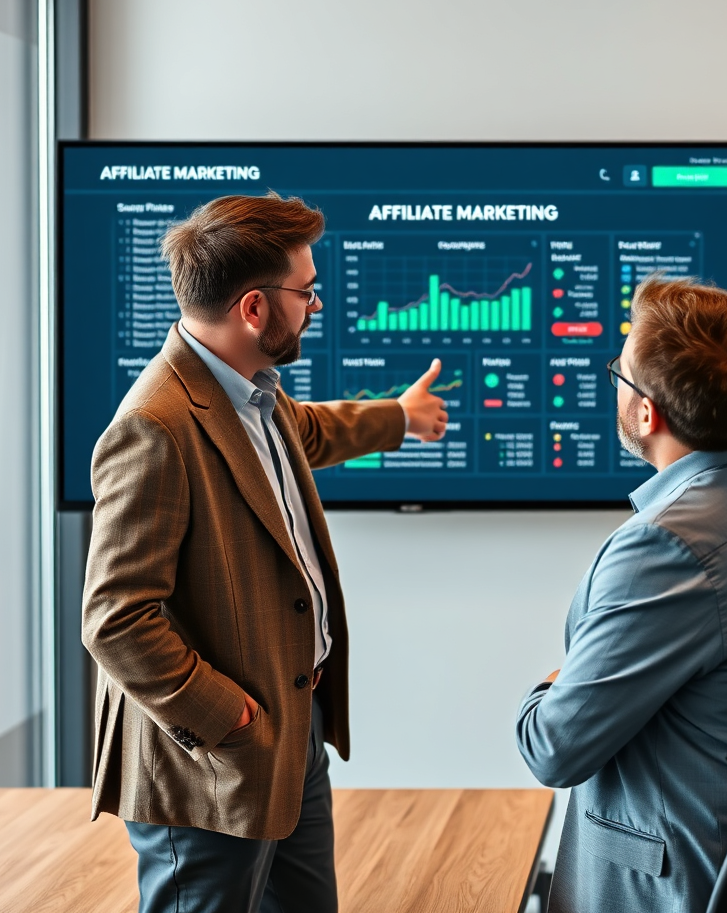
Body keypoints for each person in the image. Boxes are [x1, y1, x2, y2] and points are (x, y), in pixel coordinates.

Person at [82, 192, 447, 913]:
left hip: (292, 737)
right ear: (254, 308)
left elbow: (305, 433)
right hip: (214, 762)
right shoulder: (153, 428)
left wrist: (398, 416)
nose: (315, 307)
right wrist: (232, 720)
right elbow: (116, 620)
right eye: (306, 294)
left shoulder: (250, 391)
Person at [515, 276, 727, 913]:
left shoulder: (666, 547)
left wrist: (555, 683)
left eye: (620, 370)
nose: (614, 380)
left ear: (648, 412)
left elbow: (553, 748)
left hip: (681, 887)